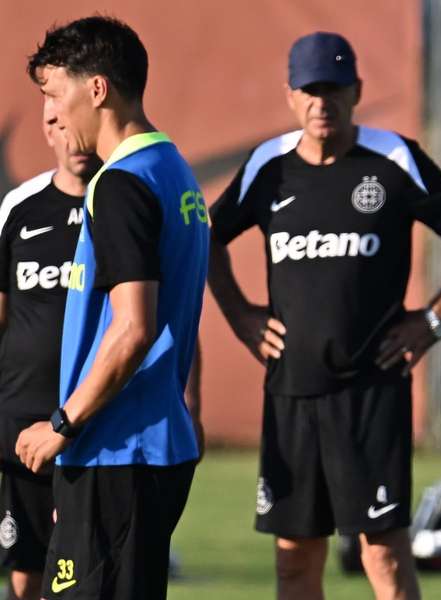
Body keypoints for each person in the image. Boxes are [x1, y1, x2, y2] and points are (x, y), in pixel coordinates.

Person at [207, 31, 441, 600]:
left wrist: (434, 319)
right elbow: (205, 241)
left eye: (335, 89)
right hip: (291, 391)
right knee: (295, 562)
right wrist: (242, 316)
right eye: (311, 90)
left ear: (357, 91)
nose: (323, 103)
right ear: (291, 95)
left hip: (371, 392)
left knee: (383, 554)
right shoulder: (267, 166)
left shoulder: (393, 159)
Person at [14, 16, 208, 600]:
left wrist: (62, 425)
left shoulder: (121, 183)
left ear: (96, 89)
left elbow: (133, 329)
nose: (52, 113)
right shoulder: (172, 169)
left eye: (54, 94)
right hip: (136, 454)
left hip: (118, 450)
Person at [0, 110, 101, 600]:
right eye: (61, 125)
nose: (75, 137)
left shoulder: (124, 201)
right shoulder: (19, 207)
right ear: (47, 131)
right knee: (25, 571)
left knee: (85, 573)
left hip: (95, 421)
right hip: (20, 421)